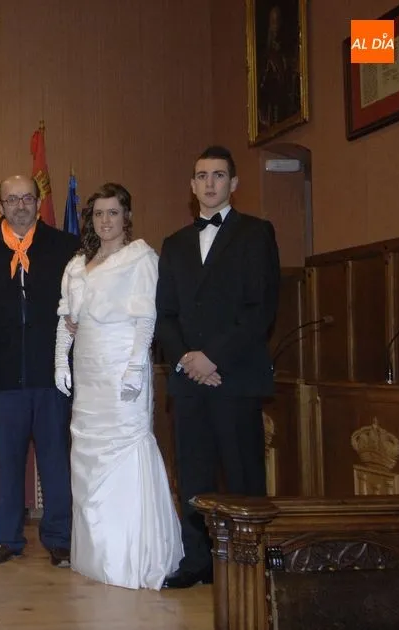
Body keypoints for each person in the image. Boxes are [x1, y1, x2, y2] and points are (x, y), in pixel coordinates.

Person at [155, 145, 281, 589]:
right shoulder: (173, 244)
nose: (209, 183)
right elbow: (164, 313)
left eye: (218, 175)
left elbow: (260, 308)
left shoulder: (256, 233)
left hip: (235, 376)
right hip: (190, 380)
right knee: (193, 475)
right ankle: (197, 562)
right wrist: (189, 360)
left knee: (243, 474)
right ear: (192, 186)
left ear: (234, 183)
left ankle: (253, 563)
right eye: (202, 175)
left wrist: (213, 357)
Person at [54, 183, 182, 590]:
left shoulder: (141, 259)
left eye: (113, 213)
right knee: (87, 454)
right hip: (87, 372)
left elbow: (146, 318)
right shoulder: (77, 264)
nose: (105, 221)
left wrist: (134, 368)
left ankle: (132, 554)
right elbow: (66, 319)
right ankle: (96, 554)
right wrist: (60, 359)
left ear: (126, 216)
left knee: (123, 450)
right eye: (98, 214)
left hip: (121, 369)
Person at [0, 175, 79, 567]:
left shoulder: (65, 246)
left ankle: (60, 537)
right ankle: (8, 538)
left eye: (27, 198)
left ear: (38, 201)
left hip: (52, 376)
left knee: (54, 460)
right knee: (8, 461)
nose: (19, 205)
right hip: (3, 375)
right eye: (11, 199)